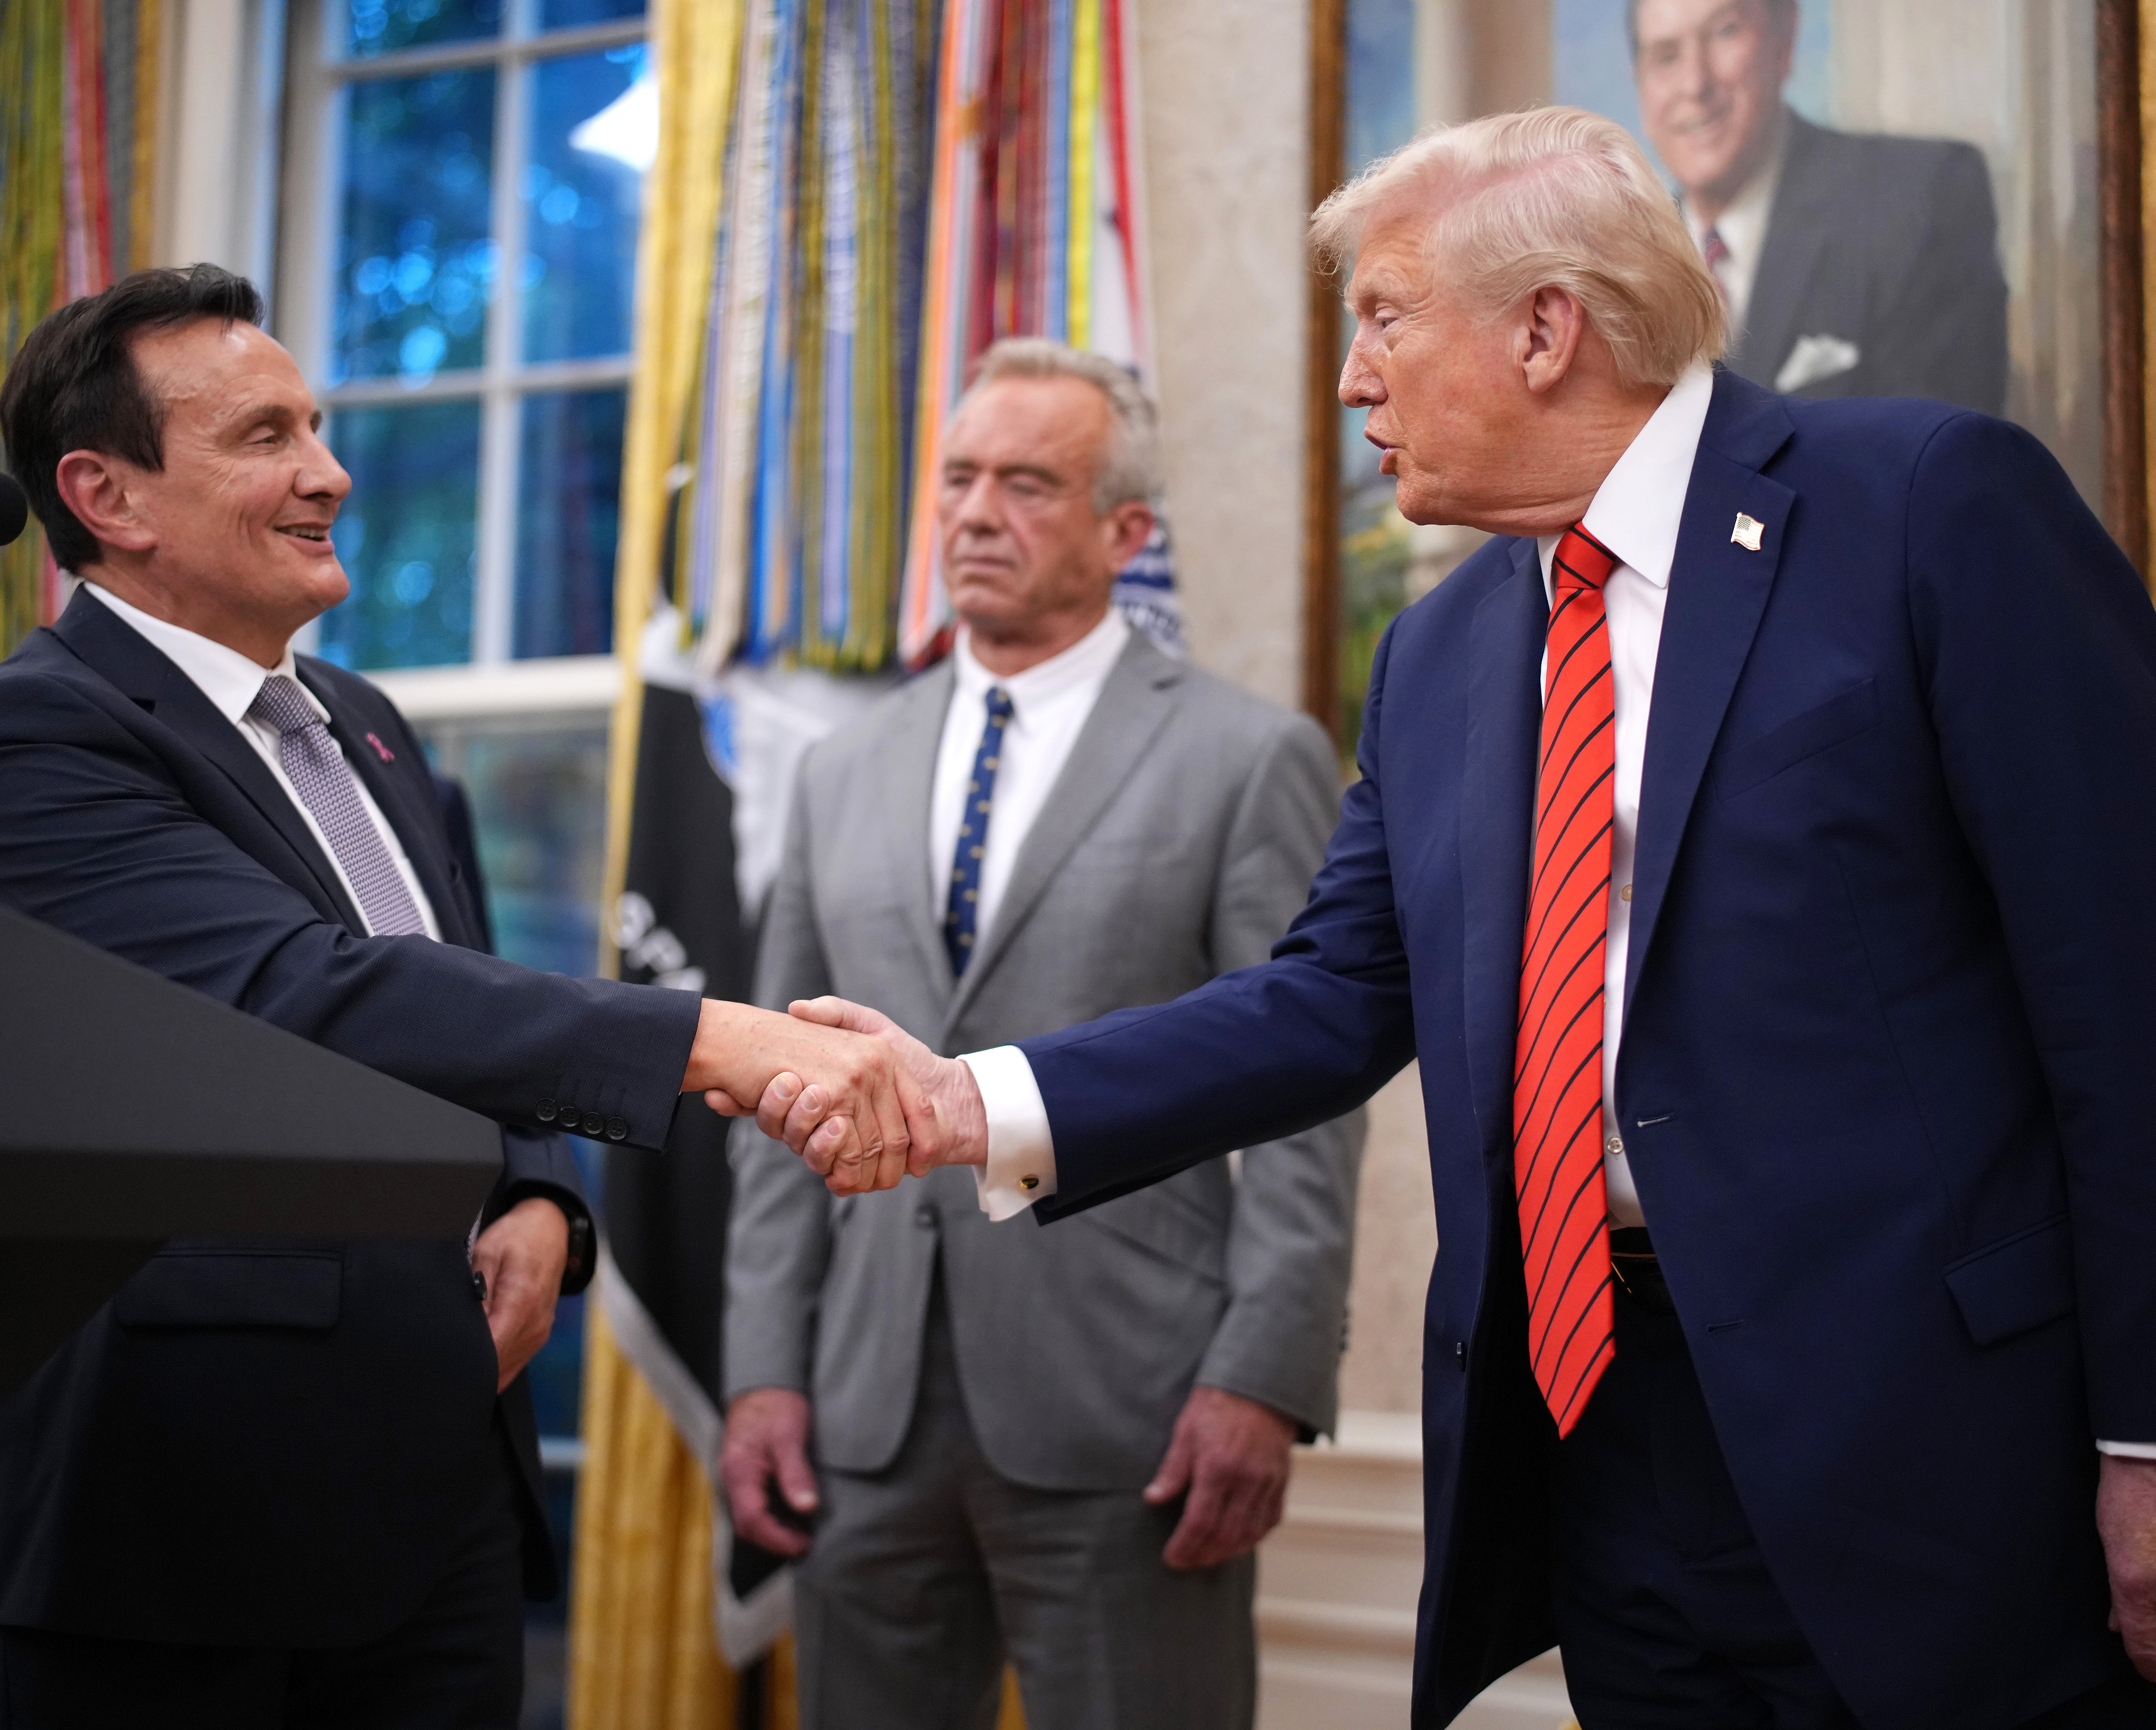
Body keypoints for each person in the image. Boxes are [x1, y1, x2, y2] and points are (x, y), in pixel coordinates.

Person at [731, 110, 2156, 1728]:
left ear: (1546, 328)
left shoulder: (1919, 508)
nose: (1354, 382)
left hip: (1938, 1440)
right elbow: (1325, 1003)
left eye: (1386, 319)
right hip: (1602, 1444)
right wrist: (966, 1098)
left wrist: (2151, 1433)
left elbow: (2129, 994)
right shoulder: (1445, 653)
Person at [0, 264, 927, 1728]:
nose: (328, 471)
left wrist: (537, 1193)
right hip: (182, 1514)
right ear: (108, 496)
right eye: (264, 437)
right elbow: (297, 992)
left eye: (317, 427)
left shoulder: (366, 726)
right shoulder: (34, 736)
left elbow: (452, 992)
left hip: (439, 1486)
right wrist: (714, 1039)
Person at [719, 339, 1363, 1730]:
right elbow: (780, 1094)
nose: (970, 512)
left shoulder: (1247, 758)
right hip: (859, 1410)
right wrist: (764, 1363)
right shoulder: (841, 773)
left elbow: (1309, 1092)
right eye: (957, 478)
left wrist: (1262, 1375)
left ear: (1125, 531)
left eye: (1025, 483)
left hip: (1132, 1407)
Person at [1630, 0, 2008, 414]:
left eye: (1725, 32)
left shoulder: (1923, 198)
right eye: (1666, 57)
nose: (1695, 84)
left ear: (1784, 39)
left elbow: (1942, 463)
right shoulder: (1624, 263)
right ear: (1641, 86)